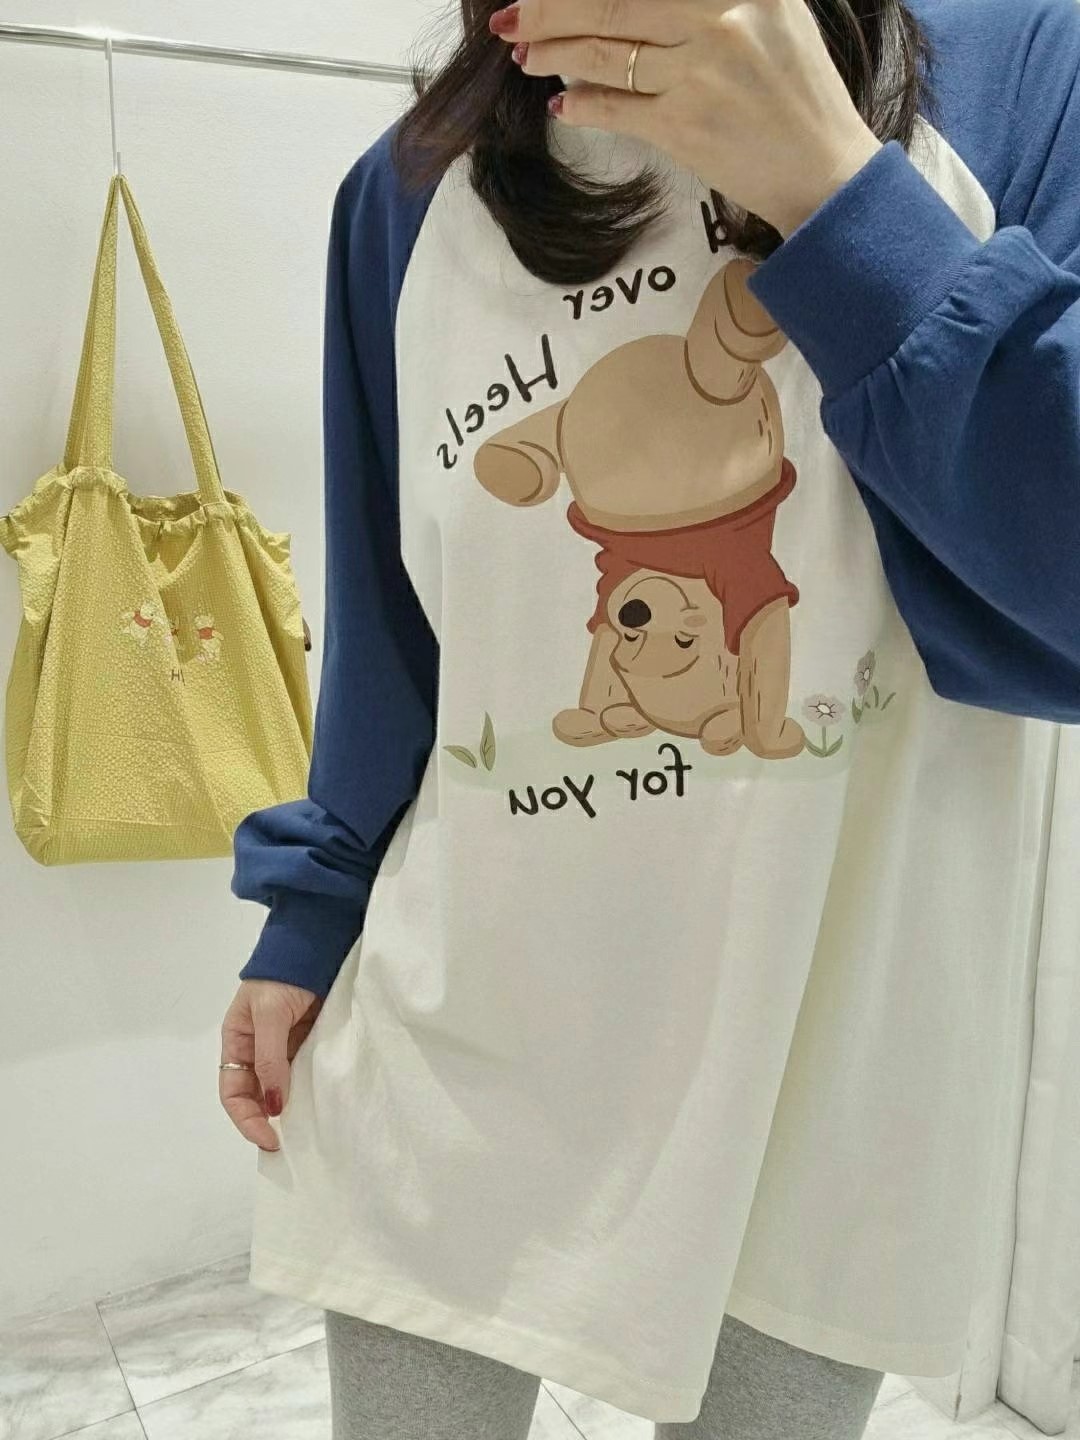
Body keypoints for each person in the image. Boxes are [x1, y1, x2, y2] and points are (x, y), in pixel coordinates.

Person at [218, 0, 1080, 1434]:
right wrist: (308, 918)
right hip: (454, 1047)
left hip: (813, 1068)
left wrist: (833, 188)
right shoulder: (408, 189)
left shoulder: (1016, 71)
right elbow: (395, 628)